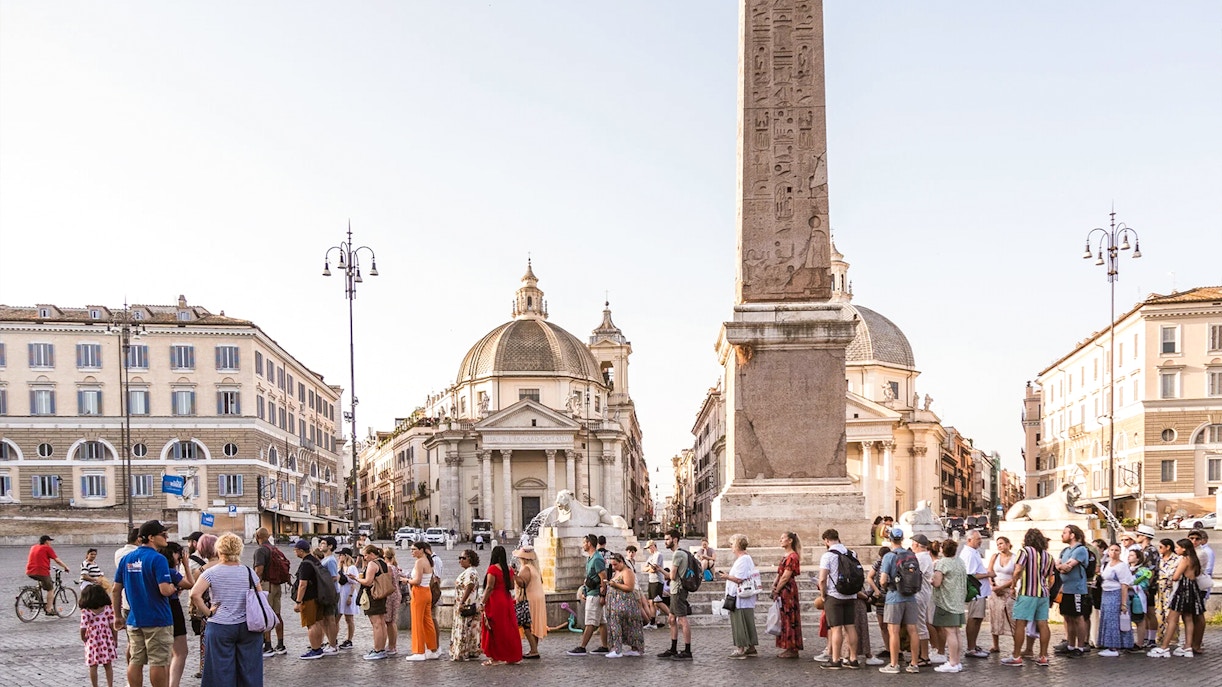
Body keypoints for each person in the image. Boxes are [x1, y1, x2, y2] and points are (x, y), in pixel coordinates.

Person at [189, 533, 263, 687]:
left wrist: (208, 612)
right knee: (250, 670)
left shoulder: (211, 572)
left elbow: (195, 594)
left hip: (220, 625)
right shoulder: (249, 572)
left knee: (220, 672)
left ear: (219, 551)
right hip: (247, 625)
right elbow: (260, 596)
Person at [112, 520, 177, 687]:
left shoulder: (127, 559)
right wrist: (172, 586)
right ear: (151, 537)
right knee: (158, 661)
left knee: (136, 660)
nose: (167, 537)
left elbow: (115, 589)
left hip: (134, 619)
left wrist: (117, 616)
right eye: (163, 534)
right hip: (157, 619)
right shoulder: (158, 558)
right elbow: (164, 590)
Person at [1001, 528, 1055, 667]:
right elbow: (1051, 578)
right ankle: (1043, 656)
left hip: (1027, 592)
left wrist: (1013, 586)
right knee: (1043, 623)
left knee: (1021, 623)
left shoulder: (1024, 552)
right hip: (1043, 594)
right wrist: (1046, 588)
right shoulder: (1048, 556)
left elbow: (1018, 570)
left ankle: (1016, 656)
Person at [1149, 538, 1205, 658]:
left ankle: (1164, 647)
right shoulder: (1194, 559)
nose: (1176, 549)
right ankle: (1188, 646)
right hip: (1192, 589)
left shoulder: (1185, 559)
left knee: (1172, 619)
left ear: (1184, 549)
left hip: (1183, 589)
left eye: (1178, 547)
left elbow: (1175, 576)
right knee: (1188, 618)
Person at [878, 527, 920, 674]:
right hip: (911, 597)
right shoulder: (911, 555)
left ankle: (894, 664)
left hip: (894, 596)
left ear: (890, 539)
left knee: (893, 631)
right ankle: (914, 663)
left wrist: (884, 587)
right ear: (902, 539)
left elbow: (883, 579)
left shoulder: (889, 556)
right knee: (913, 630)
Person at [817, 528, 860, 669]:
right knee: (850, 627)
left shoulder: (827, 556)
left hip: (834, 595)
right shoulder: (852, 553)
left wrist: (823, 595)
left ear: (826, 540)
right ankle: (853, 658)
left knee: (836, 629)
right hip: (851, 594)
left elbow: (822, 579)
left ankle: (836, 659)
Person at [478, 545, 523, 666]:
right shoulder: (508, 569)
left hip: (495, 601)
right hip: (506, 599)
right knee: (507, 628)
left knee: (493, 628)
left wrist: (482, 602)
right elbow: (512, 587)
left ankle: (494, 658)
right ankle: (510, 655)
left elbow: (489, 587)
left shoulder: (492, 569)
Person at [567, 533, 610, 656]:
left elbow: (603, 578)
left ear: (589, 543)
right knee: (602, 622)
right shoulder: (591, 558)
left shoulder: (597, 559)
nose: (582, 545)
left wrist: (603, 595)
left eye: (584, 542)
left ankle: (582, 647)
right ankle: (604, 646)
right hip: (591, 592)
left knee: (590, 622)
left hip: (596, 595)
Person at [718, 533, 759, 659]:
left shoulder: (743, 560)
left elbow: (739, 578)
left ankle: (740, 648)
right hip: (742, 598)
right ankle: (751, 647)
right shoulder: (745, 558)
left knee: (739, 622)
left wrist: (726, 576)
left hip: (739, 598)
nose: (731, 547)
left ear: (737, 545)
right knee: (747, 621)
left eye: (732, 544)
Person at [159, 542, 194, 687]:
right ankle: (174, 684)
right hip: (173, 608)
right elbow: (190, 583)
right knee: (181, 652)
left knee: (168, 654)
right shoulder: (171, 572)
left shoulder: (158, 569)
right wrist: (186, 565)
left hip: (160, 609)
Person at [1054, 524, 1090, 657]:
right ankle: (1070, 645)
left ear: (1072, 535)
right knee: (1068, 617)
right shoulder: (1065, 551)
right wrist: (1060, 566)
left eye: (1065, 532)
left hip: (1077, 589)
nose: (1062, 535)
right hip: (1065, 589)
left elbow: (1068, 567)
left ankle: (1080, 647)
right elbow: (1058, 565)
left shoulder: (1080, 550)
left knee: (1078, 617)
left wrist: (1061, 566)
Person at [657, 529, 694, 660]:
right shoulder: (680, 553)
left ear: (675, 539)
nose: (665, 542)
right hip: (675, 590)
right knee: (671, 619)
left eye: (667, 539)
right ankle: (673, 648)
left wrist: (663, 572)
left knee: (682, 620)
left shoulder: (677, 555)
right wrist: (660, 569)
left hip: (678, 590)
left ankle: (687, 651)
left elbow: (672, 576)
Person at [931, 538, 966, 673]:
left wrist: (931, 580)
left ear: (942, 550)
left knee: (950, 632)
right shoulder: (960, 562)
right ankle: (957, 661)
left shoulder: (942, 563)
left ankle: (952, 662)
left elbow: (937, 582)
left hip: (947, 602)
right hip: (958, 601)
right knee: (957, 632)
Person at [250, 528, 286, 657]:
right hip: (276, 585)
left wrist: (253, 585)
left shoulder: (261, 550)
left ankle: (268, 645)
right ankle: (281, 644)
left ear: (257, 536)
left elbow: (259, 570)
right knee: (277, 614)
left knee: (265, 615)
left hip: (266, 585)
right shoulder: (274, 549)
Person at [959, 529, 994, 659]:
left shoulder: (973, 552)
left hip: (980, 591)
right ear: (969, 540)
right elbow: (971, 575)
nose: (980, 541)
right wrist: (988, 574)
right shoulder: (969, 554)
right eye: (977, 539)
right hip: (975, 591)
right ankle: (971, 647)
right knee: (973, 619)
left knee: (978, 619)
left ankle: (973, 645)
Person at [404, 541, 441, 661]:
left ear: (421, 550)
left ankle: (419, 651)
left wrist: (406, 580)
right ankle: (432, 649)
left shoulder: (420, 562)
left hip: (419, 592)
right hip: (427, 592)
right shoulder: (428, 561)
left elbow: (417, 581)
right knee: (427, 621)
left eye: (414, 549)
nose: (412, 552)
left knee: (417, 622)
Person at [291, 540, 327, 660]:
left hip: (309, 598)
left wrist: (298, 601)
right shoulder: (315, 560)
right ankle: (318, 647)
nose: (295, 552)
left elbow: (302, 584)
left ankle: (315, 649)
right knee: (317, 622)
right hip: (319, 596)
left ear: (301, 551)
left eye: (295, 550)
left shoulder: (305, 564)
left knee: (310, 624)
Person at [604, 552, 645, 658]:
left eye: (615, 564)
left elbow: (629, 587)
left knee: (626, 626)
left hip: (624, 604)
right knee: (618, 626)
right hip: (615, 604)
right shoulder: (617, 572)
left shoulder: (627, 572)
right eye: (612, 565)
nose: (613, 567)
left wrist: (615, 584)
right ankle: (619, 648)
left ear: (621, 562)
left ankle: (620, 650)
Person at [1097, 543, 1133, 657]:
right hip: (1106, 594)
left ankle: (1115, 646)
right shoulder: (1107, 564)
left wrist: (1123, 603)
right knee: (1107, 619)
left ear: (1120, 552)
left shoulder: (1122, 566)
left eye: (1116, 550)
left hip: (1115, 594)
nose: (1113, 552)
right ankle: (1107, 644)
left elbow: (1124, 584)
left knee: (1114, 620)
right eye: (1111, 550)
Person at [80, 582, 118, 687]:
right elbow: (112, 624)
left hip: (92, 638)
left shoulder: (86, 611)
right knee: (108, 664)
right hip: (107, 638)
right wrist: (115, 639)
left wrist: (83, 638)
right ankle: (110, 685)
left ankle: (95, 685)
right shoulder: (108, 608)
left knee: (93, 665)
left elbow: (83, 627)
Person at [772, 531, 804, 659]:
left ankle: (792, 647)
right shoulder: (787, 556)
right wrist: (775, 584)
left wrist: (777, 589)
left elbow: (785, 576)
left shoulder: (792, 557)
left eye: (783, 538)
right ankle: (788, 646)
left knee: (789, 616)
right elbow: (780, 574)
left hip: (787, 589)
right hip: (785, 588)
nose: (780, 540)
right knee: (785, 616)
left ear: (790, 540)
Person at [191, 535, 219, 678]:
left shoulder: (200, 571)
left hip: (208, 610)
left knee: (205, 639)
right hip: (225, 608)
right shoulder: (226, 566)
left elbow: (196, 595)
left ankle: (205, 668)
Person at [355, 545, 390, 660]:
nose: (364, 557)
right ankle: (381, 648)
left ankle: (377, 649)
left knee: (376, 623)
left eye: (365, 555)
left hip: (373, 594)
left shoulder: (372, 564)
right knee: (381, 622)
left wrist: (356, 579)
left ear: (371, 554)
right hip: (382, 594)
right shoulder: (383, 563)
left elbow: (368, 581)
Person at [513, 546, 547, 658]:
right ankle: (534, 648)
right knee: (534, 624)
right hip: (537, 598)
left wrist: (513, 575)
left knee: (526, 624)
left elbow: (523, 583)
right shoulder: (534, 568)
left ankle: (534, 650)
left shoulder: (526, 568)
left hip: (530, 599)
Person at [449, 549, 482, 662]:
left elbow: (469, 586)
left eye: (463, 558)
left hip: (467, 604)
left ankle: (462, 652)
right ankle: (470, 651)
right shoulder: (469, 571)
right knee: (468, 628)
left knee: (464, 628)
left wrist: (462, 602)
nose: (460, 560)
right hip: (469, 603)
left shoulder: (470, 572)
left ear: (470, 560)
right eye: (459, 558)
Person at [986, 536, 1016, 655]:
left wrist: (1002, 587)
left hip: (1008, 589)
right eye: (998, 544)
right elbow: (990, 572)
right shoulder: (995, 556)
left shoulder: (1014, 558)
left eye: (1002, 543)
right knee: (995, 616)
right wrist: (992, 584)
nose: (1000, 546)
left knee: (1012, 617)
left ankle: (1016, 645)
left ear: (1008, 544)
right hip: (995, 589)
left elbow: (1015, 576)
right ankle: (995, 644)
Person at [27, 534, 69, 613]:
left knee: (42, 581)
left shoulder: (33, 547)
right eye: (50, 541)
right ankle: (49, 609)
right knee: (50, 589)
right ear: (46, 541)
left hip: (30, 571)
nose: (51, 543)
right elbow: (57, 560)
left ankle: (35, 592)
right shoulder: (47, 548)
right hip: (41, 571)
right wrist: (65, 567)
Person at [1134, 524, 1161, 648]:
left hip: (1148, 586)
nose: (1136, 536)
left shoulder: (1150, 551)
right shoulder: (1143, 550)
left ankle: (1151, 639)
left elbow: (1151, 572)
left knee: (1150, 611)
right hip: (1142, 585)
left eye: (1138, 535)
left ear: (1145, 536)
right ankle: (1145, 637)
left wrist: (1146, 587)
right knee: (1144, 611)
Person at [1187, 529, 1213, 653]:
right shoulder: (1189, 552)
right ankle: (1191, 642)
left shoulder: (1200, 553)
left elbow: (1194, 570)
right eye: (1191, 538)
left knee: (1198, 614)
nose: (1194, 541)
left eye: (1197, 539)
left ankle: (1196, 644)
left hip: (1197, 586)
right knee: (1191, 615)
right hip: (1189, 586)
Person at [910, 534, 934, 666]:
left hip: (920, 594)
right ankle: (919, 653)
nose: (912, 546)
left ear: (918, 545)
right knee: (918, 624)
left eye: (913, 543)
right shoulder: (925, 557)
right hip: (922, 593)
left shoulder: (921, 558)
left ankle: (924, 655)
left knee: (920, 624)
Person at [1152, 537, 1180, 648]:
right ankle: (1159, 636)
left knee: (1170, 613)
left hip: (1170, 588)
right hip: (1159, 588)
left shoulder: (1177, 559)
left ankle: (1172, 638)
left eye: (1161, 547)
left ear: (1168, 547)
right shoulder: (1159, 559)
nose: (1159, 549)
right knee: (1158, 613)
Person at [318, 537, 343, 653]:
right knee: (325, 619)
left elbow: (334, 577)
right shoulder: (325, 559)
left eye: (323, 543)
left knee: (331, 619)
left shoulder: (331, 560)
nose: (320, 545)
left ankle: (333, 645)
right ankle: (330, 642)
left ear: (330, 546)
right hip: (326, 591)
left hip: (330, 592)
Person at [381, 547, 404, 656]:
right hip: (396, 594)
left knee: (389, 622)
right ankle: (392, 645)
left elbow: (387, 582)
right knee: (391, 621)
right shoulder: (395, 566)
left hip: (390, 595)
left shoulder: (389, 567)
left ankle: (391, 646)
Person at [335, 548, 359, 650]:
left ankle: (349, 639)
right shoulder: (339, 567)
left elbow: (354, 583)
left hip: (348, 593)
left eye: (341, 555)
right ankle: (333, 638)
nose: (339, 557)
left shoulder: (351, 568)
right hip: (340, 593)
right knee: (336, 617)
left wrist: (350, 596)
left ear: (345, 556)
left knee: (349, 618)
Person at [643, 540, 668, 628]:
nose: (648, 550)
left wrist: (649, 569)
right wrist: (649, 568)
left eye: (648, 548)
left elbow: (654, 569)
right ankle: (652, 622)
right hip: (651, 580)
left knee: (657, 602)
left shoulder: (658, 555)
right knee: (651, 602)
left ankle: (672, 616)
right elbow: (644, 568)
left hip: (657, 580)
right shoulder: (651, 556)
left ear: (653, 546)